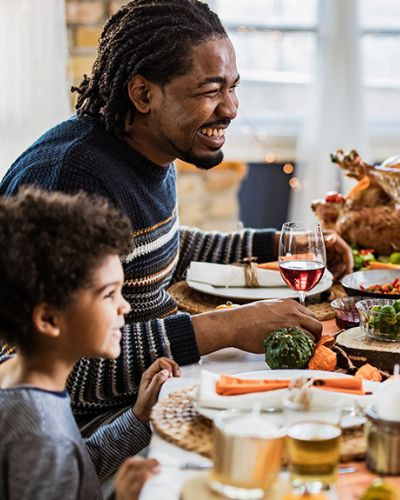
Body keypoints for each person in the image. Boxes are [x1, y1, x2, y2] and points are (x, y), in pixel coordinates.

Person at [0, 0, 352, 425]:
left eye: (232, 87)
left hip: (154, 383)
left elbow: (159, 249)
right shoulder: (71, 181)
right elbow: (64, 369)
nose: (231, 108)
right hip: (85, 427)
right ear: (144, 94)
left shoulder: (148, 148)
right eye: (210, 90)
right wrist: (224, 328)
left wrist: (278, 244)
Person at [0, 188, 179, 500]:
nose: (125, 307)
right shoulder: (39, 437)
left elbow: (73, 467)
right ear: (49, 320)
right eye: (109, 294)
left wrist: (138, 417)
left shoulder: (23, 379)